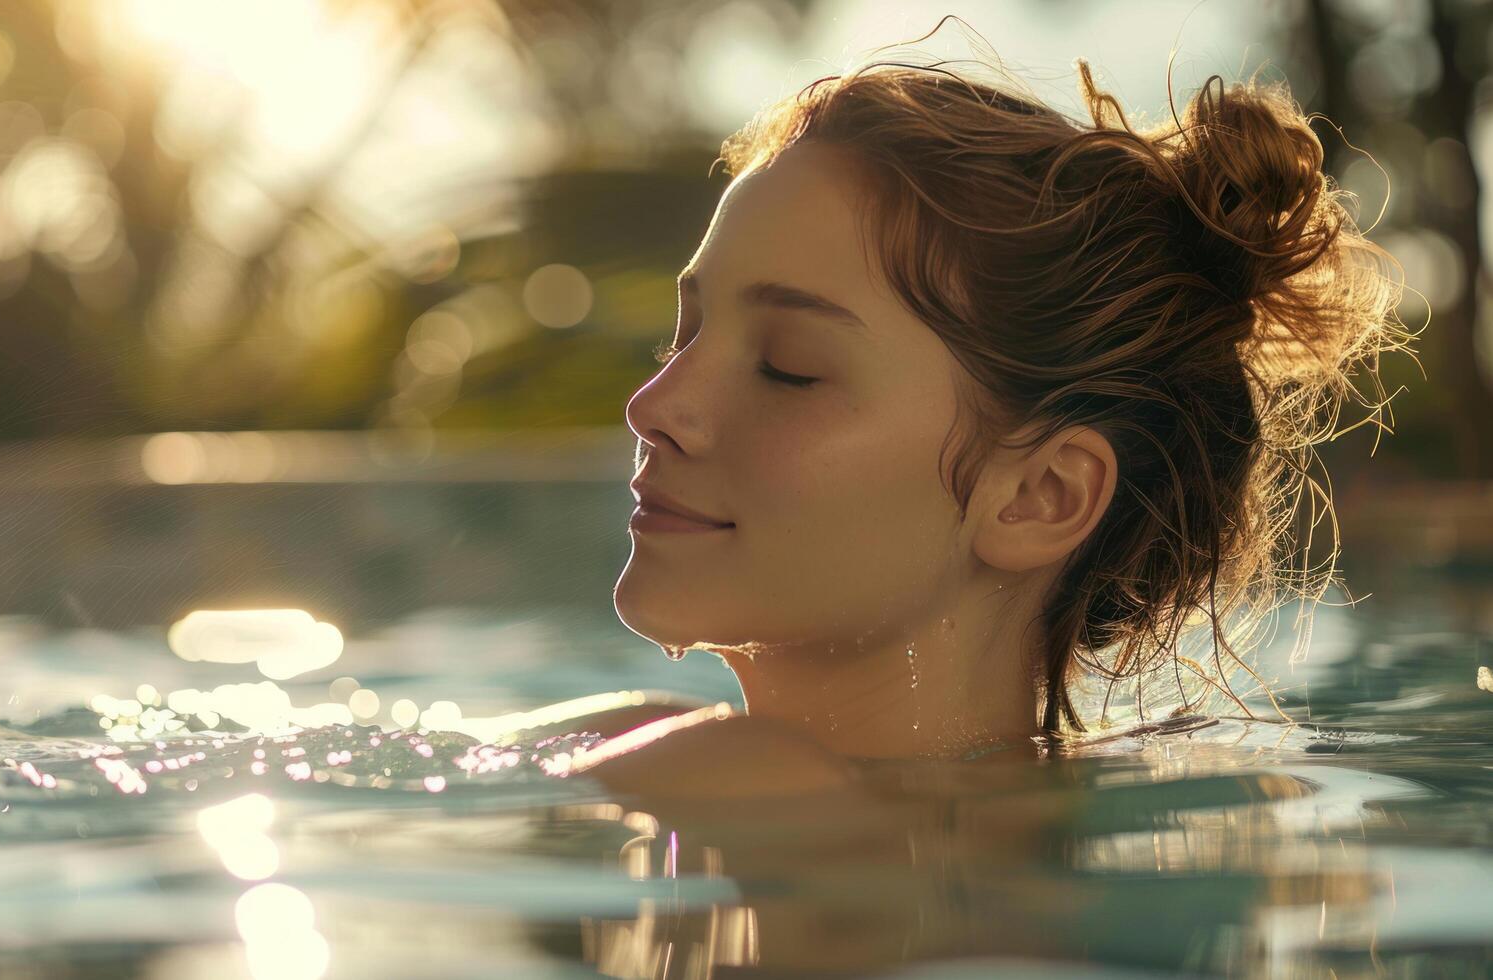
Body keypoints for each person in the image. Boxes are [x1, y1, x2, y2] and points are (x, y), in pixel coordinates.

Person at [539, 48, 1411, 798]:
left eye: (787, 367)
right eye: (685, 334)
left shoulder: (717, 773)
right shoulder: (654, 741)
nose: (654, 407)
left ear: (1038, 494)